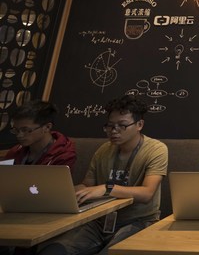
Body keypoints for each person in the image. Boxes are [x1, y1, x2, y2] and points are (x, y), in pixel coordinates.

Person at [36, 95, 168, 255]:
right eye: (110, 126)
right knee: (53, 250)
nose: (114, 131)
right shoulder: (103, 150)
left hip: (138, 221)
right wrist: (63, 192)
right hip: (99, 220)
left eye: (122, 126)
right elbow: (87, 185)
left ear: (139, 125)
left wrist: (107, 188)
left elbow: (147, 193)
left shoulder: (156, 149)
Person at [3, 100, 76, 168]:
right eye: (16, 130)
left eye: (25, 130)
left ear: (47, 127)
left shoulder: (64, 156)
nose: (19, 135)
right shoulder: (14, 152)